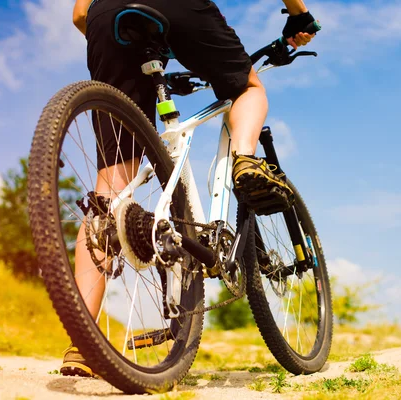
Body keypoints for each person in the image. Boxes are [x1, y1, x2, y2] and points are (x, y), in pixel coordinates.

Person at [62, 0, 318, 377]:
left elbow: (79, 15)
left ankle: (81, 344)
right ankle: (245, 160)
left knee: (110, 194)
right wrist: (299, 15)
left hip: (106, 17)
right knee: (247, 88)